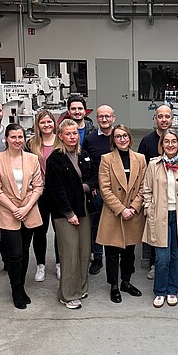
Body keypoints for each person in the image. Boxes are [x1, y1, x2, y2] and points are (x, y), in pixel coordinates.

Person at [142, 129, 178, 308]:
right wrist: (148, 209)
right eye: (166, 141)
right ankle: (160, 291)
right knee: (162, 257)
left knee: (177, 255)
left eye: (174, 141)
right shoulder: (153, 165)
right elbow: (147, 190)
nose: (170, 145)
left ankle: (172, 290)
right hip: (160, 215)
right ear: (162, 145)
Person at [0, 123, 43, 309]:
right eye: (13, 137)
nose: (17, 140)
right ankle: (15, 289)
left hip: (28, 209)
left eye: (20, 137)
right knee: (15, 253)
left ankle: (22, 287)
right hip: (7, 210)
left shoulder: (32, 159)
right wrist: (14, 209)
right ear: (6, 138)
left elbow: (38, 186)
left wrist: (26, 208)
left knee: (25, 250)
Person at [45, 119, 94, 310]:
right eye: (68, 133)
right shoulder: (55, 159)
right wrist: (68, 213)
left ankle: (81, 288)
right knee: (70, 253)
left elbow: (93, 178)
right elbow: (56, 190)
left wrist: (84, 187)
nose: (72, 137)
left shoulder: (84, 155)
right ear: (60, 136)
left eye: (74, 133)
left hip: (84, 208)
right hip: (65, 212)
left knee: (84, 250)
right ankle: (68, 294)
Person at [138, 104, 178, 280]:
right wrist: (148, 205)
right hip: (157, 198)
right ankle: (155, 265)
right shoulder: (147, 141)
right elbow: (143, 170)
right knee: (157, 237)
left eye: (167, 116)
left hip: (177, 199)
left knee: (177, 239)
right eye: (160, 116)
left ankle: (176, 268)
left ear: (172, 118)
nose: (164, 119)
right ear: (155, 118)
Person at [97, 124, 147, 303]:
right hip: (114, 213)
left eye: (125, 135)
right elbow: (105, 189)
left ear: (130, 138)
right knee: (111, 253)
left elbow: (144, 186)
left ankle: (126, 282)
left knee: (129, 252)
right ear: (113, 140)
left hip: (133, 213)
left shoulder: (140, 159)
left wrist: (133, 208)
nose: (122, 139)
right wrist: (121, 209)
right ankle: (114, 285)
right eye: (118, 136)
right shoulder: (106, 159)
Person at [82, 104, 116, 275]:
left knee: (115, 222)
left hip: (118, 190)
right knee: (97, 223)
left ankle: (115, 254)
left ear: (113, 118)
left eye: (107, 116)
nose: (104, 119)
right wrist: (92, 185)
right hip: (97, 190)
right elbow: (86, 165)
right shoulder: (90, 139)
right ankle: (97, 257)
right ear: (96, 119)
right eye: (101, 116)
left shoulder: (119, 136)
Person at [27, 109, 60, 282]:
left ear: (54, 123)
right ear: (37, 125)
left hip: (58, 192)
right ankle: (40, 264)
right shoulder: (31, 144)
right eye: (42, 122)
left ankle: (59, 263)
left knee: (59, 229)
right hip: (39, 193)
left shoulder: (61, 141)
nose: (46, 125)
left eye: (49, 121)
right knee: (40, 230)